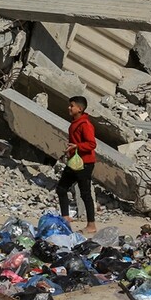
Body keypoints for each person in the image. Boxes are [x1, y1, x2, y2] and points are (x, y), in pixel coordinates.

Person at [56, 95, 97, 234]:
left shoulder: (85, 124)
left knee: (85, 193)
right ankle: (65, 218)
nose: (69, 108)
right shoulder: (75, 123)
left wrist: (77, 146)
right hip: (74, 162)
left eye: (71, 106)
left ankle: (91, 225)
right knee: (61, 188)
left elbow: (92, 144)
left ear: (80, 109)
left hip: (85, 163)